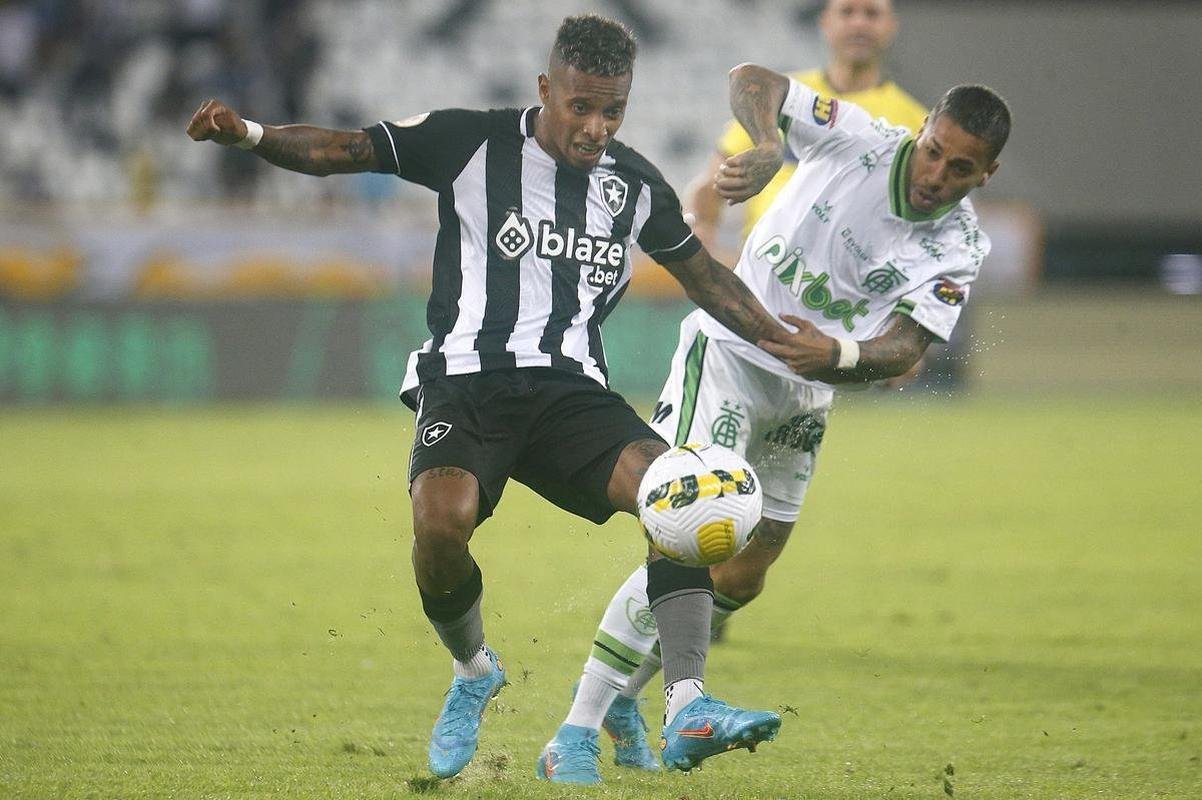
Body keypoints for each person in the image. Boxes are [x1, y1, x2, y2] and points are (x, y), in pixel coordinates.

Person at [187, 15, 838, 786]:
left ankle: (688, 701)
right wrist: (250, 134)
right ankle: (473, 671)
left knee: (679, 495)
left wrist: (780, 338)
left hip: (570, 394)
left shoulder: (633, 185)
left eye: (613, 111)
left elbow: (706, 279)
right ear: (545, 90)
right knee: (440, 526)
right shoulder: (471, 142)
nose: (596, 128)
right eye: (580, 107)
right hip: (466, 382)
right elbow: (344, 150)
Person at [556, 63, 1010, 774]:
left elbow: (906, 347)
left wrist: (840, 350)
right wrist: (768, 143)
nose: (935, 175)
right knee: (689, 531)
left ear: (984, 174)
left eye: (960, 168)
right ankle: (580, 733)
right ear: (921, 132)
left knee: (746, 570)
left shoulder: (960, 246)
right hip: (732, 352)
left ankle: (628, 696)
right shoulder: (859, 137)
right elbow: (752, 78)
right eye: (933, 151)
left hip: (807, 386)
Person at [689, 0, 926, 250]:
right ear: (825, 22)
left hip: (847, 281)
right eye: (847, 12)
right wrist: (702, 224)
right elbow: (711, 183)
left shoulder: (916, 125)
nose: (859, 23)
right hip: (759, 271)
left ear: (891, 26)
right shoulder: (779, 95)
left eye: (871, 14)